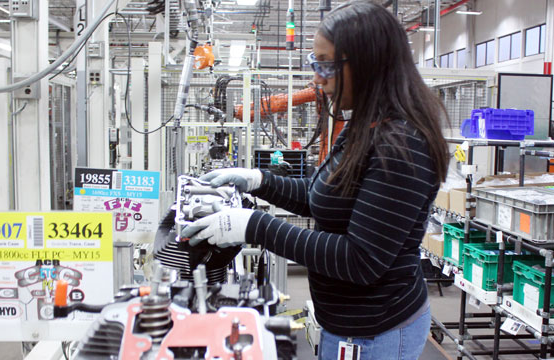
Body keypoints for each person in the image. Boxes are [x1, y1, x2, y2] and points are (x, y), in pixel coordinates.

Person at [181, 1, 449, 359]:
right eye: (315, 63)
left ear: (368, 65)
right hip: (344, 323)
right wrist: (258, 180)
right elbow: (323, 195)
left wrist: (254, 226)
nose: (317, 78)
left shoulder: (401, 145)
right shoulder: (362, 125)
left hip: (376, 332)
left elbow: (361, 259)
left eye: (326, 65)